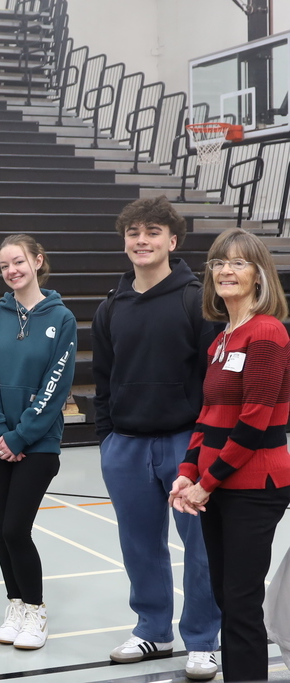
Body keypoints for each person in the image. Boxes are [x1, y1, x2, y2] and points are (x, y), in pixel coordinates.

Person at [91, 196, 221, 681]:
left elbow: (216, 381)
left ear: (172, 240)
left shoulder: (196, 299)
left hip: (186, 443)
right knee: (140, 545)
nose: (141, 241)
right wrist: (107, 440)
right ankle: (152, 629)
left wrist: (202, 446)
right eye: (133, 233)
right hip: (125, 445)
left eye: (151, 232)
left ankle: (203, 639)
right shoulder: (111, 306)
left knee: (201, 547)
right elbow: (103, 380)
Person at [170, 228, 290, 682]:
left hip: (255, 487)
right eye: (220, 262)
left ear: (259, 275)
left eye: (239, 263)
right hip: (219, 486)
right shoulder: (222, 337)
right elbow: (210, 413)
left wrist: (207, 481)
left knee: (240, 604)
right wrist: (187, 473)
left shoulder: (266, 332)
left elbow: (255, 419)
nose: (226, 270)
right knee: (226, 595)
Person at [0, 235, 76, 650]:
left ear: (37, 261)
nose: (12, 270)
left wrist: (20, 435)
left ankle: (35, 610)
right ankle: (14, 604)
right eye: (4, 266)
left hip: (37, 443)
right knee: (2, 529)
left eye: (18, 261)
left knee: (17, 527)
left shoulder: (62, 317)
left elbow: (57, 383)